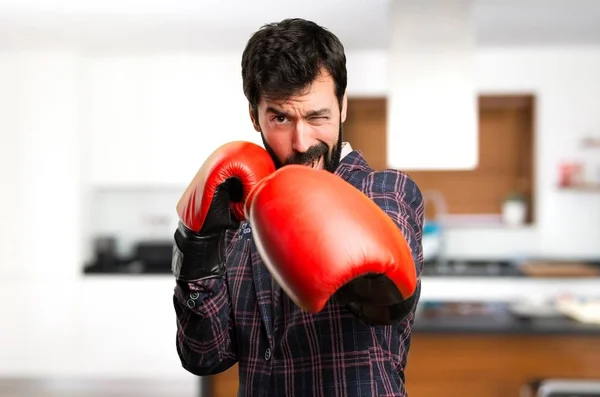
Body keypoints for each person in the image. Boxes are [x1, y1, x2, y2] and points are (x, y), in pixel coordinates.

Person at [171, 18, 424, 397]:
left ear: (342, 107)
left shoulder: (384, 191)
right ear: (254, 116)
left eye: (317, 116)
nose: (303, 142)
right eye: (281, 118)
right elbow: (203, 355)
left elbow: (381, 303)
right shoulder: (242, 219)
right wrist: (198, 242)